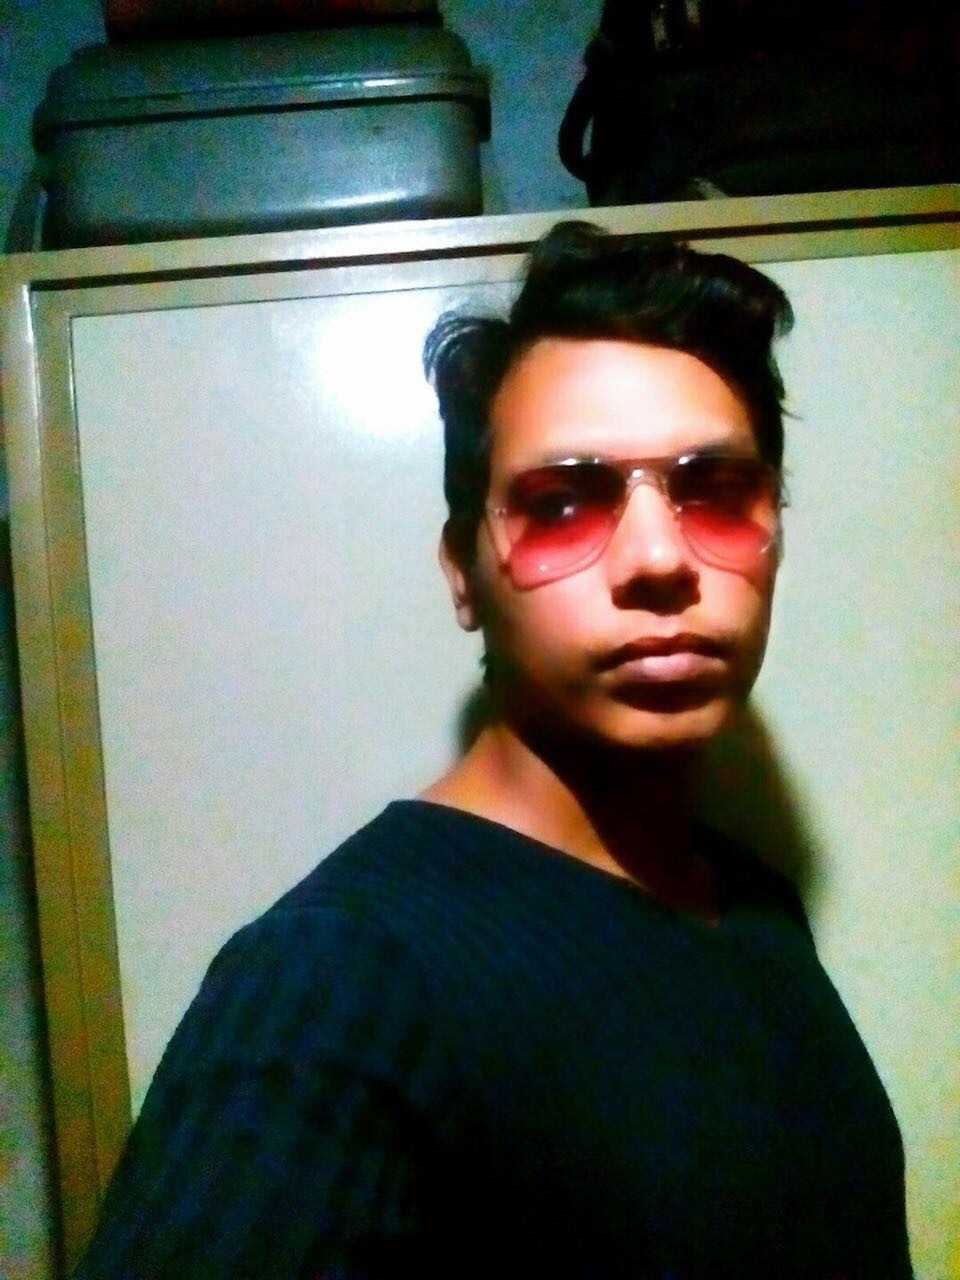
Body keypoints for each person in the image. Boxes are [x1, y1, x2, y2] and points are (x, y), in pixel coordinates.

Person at [76, 222, 913, 1278]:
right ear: (462, 572)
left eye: (714, 492)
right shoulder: (341, 979)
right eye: (561, 503)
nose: (659, 559)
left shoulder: (754, 904)